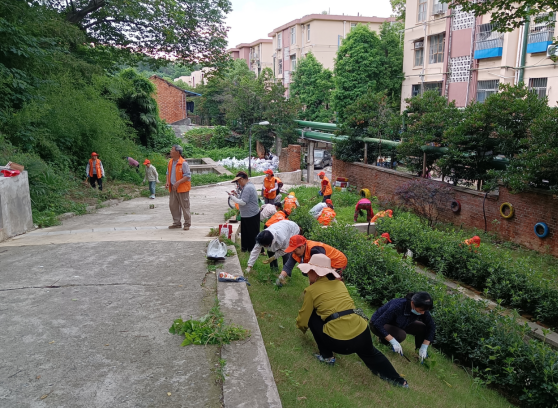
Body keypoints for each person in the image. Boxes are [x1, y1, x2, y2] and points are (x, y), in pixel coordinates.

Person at [295, 254, 407, 387]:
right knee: (371, 353)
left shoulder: (311, 290)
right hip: (362, 331)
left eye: (309, 271)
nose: (307, 274)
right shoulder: (340, 284)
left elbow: (304, 318)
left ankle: (327, 357)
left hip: (340, 343)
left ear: (315, 272)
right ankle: (400, 381)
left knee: (312, 316)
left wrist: (301, 328)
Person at [370, 292, 436, 362]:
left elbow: (431, 326)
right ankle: (384, 341)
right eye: (420, 310)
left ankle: (420, 353)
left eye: (425, 311)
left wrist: (424, 347)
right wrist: (393, 341)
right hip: (378, 324)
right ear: (412, 303)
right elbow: (378, 324)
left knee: (422, 328)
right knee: (401, 335)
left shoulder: (422, 308)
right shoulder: (398, 306)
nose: (423, 313)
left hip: (400, 324)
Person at [276, 235, 347, 286]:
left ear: (302, 246)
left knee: (332, 282)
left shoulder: (315, 250)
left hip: (337, 261)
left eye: (295, 250)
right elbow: (288, 266)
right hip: (326, 262)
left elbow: (319, 271)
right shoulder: (297, 252)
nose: (293, 253)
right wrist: (281, 277)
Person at [228, 171, 260, 252]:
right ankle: (246, 248)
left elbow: (243, 202)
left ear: (241, 179)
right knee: (246, 233)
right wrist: (236, 195)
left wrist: (232, 197)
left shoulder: (248, 187)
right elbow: (242, 198)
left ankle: (252, 250)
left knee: (251, 234)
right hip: (247, 214)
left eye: (238, 181)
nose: (238, 183)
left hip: (251, 214)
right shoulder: (247, 186)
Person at [165, 145, 192, 230]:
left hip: (182, 188)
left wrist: (178, 183)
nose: (170, 151)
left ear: (177, 152)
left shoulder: (183, 163)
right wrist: (167, 182)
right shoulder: (170, 162)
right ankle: (176, 223)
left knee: (185, 206)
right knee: (173, 206)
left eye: (172, 149)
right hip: (173, 188)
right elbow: (167, 173)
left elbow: (187, 176)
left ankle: (187, 224)